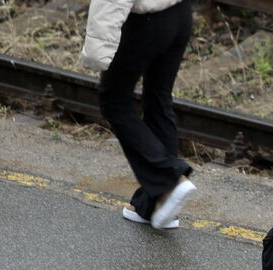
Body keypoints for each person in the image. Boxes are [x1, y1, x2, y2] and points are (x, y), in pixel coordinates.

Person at [82, 0, 197, 229]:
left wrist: (97, 51)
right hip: (180, 13)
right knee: (158, 98)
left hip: (147, 22)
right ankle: (154, 205)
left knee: (114, 100)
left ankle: (169, 181)